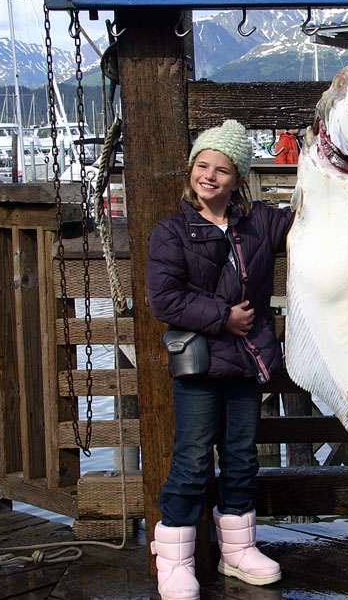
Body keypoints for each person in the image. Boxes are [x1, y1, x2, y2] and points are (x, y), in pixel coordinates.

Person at [146, 119, 293, 600]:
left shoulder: (261, 223)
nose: (209, 176)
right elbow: (164, 300)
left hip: (248, 363)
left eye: (223, 170)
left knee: (241, 457)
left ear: (238, 179)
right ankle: (175, 563)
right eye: (202, 165)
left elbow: (313, 218)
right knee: (190, 460)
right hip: (202, 363)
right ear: (192, 169)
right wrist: (222, 317)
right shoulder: (171, 231)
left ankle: (238, 550)